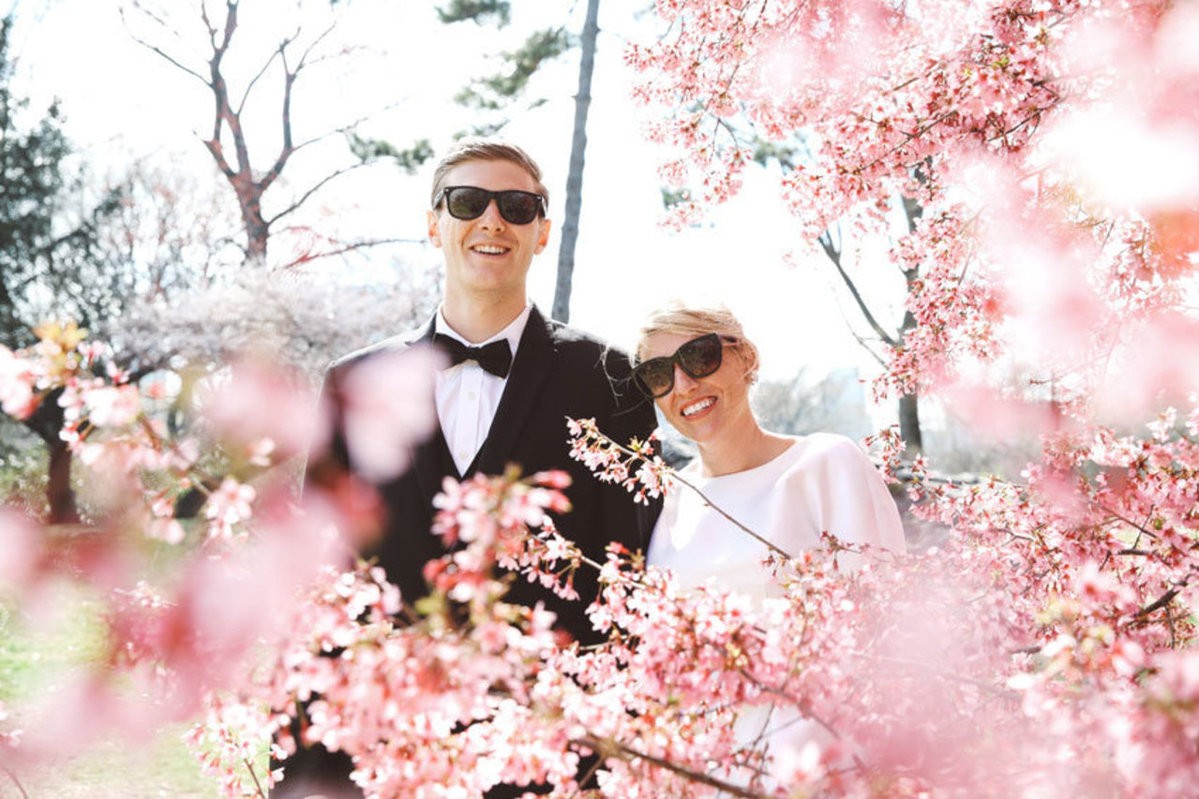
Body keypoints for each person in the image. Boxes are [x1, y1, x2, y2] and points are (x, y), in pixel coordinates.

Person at [274, 138, 659, 798]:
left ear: (541, 233)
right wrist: (301, 776)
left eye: (516, 207)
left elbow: (630, 575)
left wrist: (609, 771)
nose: (492, 220)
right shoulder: (353, 385)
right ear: (434, 224)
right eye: (468, 202)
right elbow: (321, 584)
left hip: (549, 762)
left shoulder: (610, 379)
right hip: (385, 758)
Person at [633, 301, 906, 792]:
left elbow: (887, 642)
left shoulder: (826, 465)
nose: (684, 385)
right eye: (658, 374)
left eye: (699, 357)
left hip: (820, 776)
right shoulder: (667, 503)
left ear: (746, 357)